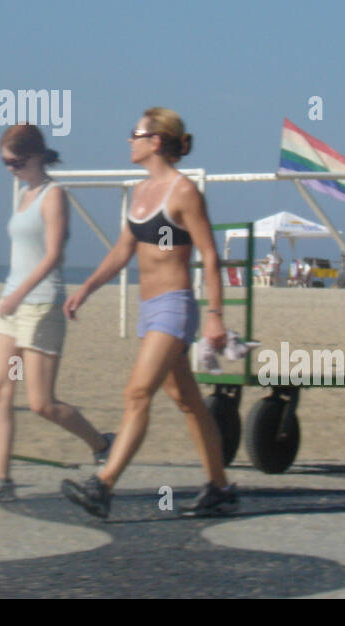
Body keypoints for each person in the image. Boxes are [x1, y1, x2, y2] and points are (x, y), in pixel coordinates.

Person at [60, 109, 236, 519]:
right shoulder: (140, 193)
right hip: (149, 309)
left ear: (155, 141)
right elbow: (123, 250)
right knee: (189, 401)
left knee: (137, 394)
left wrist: (214, 315)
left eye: (134, 134)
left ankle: (103, 486)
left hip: (175, 307)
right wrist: (86, 288)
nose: (129, 141)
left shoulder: (184, 192)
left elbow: (210, 256)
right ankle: (220, 487)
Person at [0, 125, 110, 501]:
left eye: (14, 161)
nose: (9, 168)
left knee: (41, 402)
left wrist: (20, 296)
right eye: (4, 162)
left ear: (35, 156)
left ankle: (100, 443)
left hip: (40, 307)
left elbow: (53, 256)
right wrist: (9, 299)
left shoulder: (53, 195)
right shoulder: (24, 195)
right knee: (0, 388)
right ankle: (1, 478)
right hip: (9, 308)